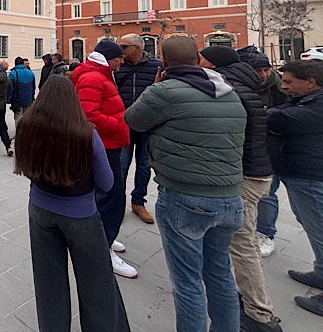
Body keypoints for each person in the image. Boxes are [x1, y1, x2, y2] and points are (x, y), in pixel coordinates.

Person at [125, 36, 246, 332]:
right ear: (198, 59)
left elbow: (133, 119)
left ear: (163, 62)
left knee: (188, 282)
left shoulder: (165, 91)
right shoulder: (229, 92)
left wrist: (154, 86)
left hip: (185, 197)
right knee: (220, 274)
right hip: (230, 197)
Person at [14, 75, 130, 332]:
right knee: (96, 281)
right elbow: (106, 183)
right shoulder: (86, 133)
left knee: (47, 280)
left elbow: (26, 166)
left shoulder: (25, 125)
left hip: (39, 209)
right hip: (81, 214)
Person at [199, 46, 282, 332]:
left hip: (244, 175)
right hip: (254, 171)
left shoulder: (228, 89)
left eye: (202, 59)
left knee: (243, 244)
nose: (199, 63)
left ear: (214, 64)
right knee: (236, 239)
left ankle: (260, 314)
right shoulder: (244, 86)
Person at [71, 39, 137, 278]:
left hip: (107, 143)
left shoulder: (101, 75)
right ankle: (102, 247)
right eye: (119, 58)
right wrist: (119, 124)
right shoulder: (93, 77)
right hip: (104, 145)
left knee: (106, 195)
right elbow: (88, 114)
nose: (122, 61)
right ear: (108, 58)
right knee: (112, 196)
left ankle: (103, 236)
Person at [266, 60, 323, 318]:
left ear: (310, 82)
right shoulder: (304, 101)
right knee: (312, 225)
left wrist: (272, 119)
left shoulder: (315, 107)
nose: (284, 87)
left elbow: (278, 117)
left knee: (320, 229)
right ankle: (320, 273)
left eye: (289, 82)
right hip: (300, 173)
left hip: (310, 176)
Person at [239, 50, 288, 258]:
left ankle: (265, 233)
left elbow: (290, 116)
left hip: (270, 148)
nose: (263, 74)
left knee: (267, 193)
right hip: (245, 146)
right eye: (257, 70)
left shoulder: (280, 86)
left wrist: (267, 117)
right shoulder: (239, 85)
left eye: (266, 69)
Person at [116, 34, 162, 225]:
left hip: (148, 124)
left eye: (124, 46)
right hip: (124, 123)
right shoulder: (118, 66)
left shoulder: (157, 66)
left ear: (137, 48)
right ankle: (117, 203)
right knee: (121, 165)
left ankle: (138, 202)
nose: (121, 50)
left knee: (144, 165)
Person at [8, 56, 36, 125]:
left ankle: (19, 131)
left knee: (18, 117)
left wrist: (8, 99)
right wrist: (32, 98)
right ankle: (25, 131)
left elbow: (10, 88)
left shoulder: (13, 73)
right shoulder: (31, 73)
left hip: (17, 99)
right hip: (28, 99)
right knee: (26, 117)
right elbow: (33, 87)